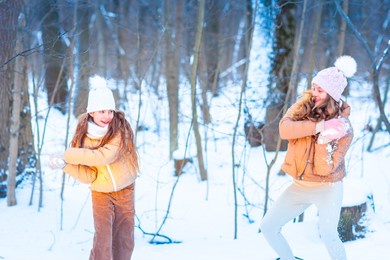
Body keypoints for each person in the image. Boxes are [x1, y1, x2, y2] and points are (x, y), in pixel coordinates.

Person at [260, 56, 357, 260]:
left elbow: (325, 169)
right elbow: (285, 130)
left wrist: (324, 141)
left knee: (329, 235)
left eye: (320, 90)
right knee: (268, 227)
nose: (314, 93)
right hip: (300, 186)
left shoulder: (344, 128)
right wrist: (319, 127)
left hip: (328, 187)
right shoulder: (302, 106)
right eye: (314, 87)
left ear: (332, 94)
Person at [49, 75, 139, 260]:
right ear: (91, 112)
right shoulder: (83, 138)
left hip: (125, 190)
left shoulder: (119, 131)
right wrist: (66, 165)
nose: (107, 116)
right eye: (101, 111)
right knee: (102, 241)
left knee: (124, 239)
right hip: (100, 193)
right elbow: (89, 176)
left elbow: (104, 157)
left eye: (110, 111)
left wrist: (67, 154)